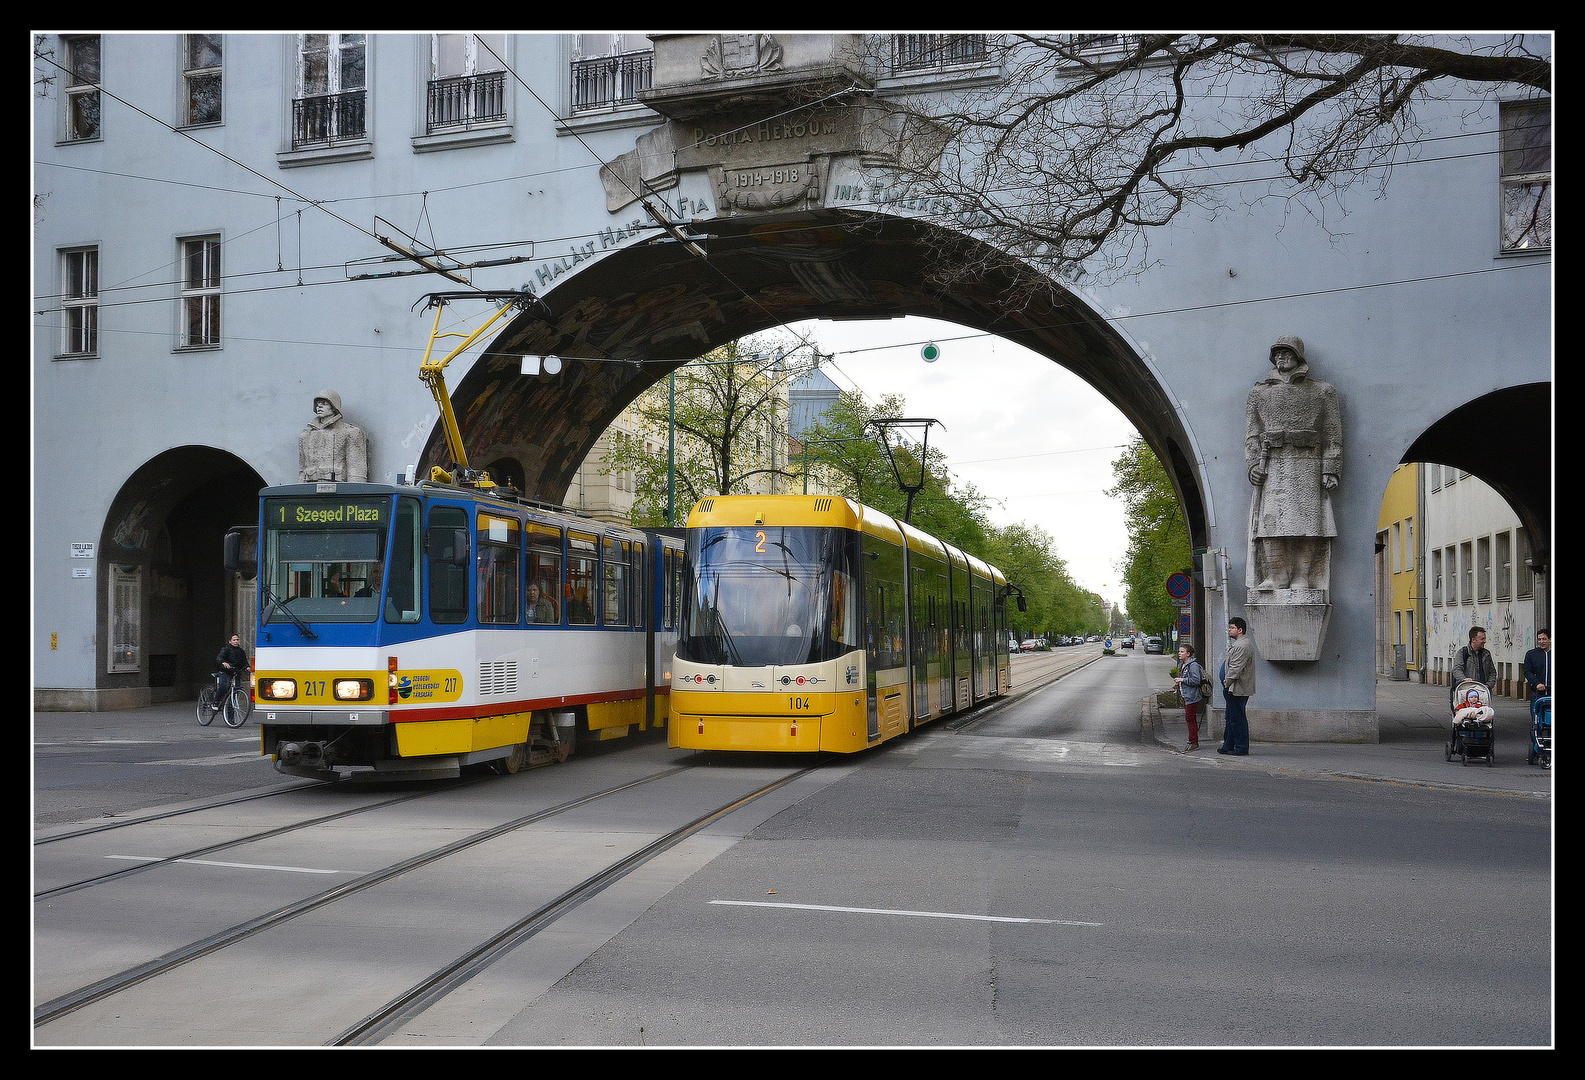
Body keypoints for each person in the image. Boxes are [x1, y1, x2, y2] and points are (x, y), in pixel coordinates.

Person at [1244, 336, 1342, 593]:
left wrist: (1330, 467)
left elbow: (1332, 434)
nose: (1281, 357)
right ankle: (1276, 576)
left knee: (1308, 524)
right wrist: (1253, 464)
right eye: (1277, 352)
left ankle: (1302, 577)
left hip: (1307, 462)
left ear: (1299, 356)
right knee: (1270, 523)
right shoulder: (1259, 393)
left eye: (1287, 352)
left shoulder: (1322, 391)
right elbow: (1252, 434)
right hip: (1272, 463)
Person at [298, 390, 369, 483]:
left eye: (324, 403)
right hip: (311, 491)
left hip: (339, 491)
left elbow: (356, 471)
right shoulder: (306, 436)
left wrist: (354, 495)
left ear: (334, 407)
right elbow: (302, 470)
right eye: (318, 404)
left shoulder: (350, 433)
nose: (319, 406)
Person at [1218, 617, 1255, 755]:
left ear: (1240, 630)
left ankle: (1241, 747)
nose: (1229, 630)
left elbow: (1235, 668)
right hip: (1233, 688)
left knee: (1237, 719)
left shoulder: (1242, 646)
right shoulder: (1240, 644)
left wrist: (1226, 683)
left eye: (1232, 628)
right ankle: (1228, 745)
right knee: (1231, 717)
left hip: (1236, 688)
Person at [1450, 626, 1496, 708]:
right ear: (1473, 640)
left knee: (1485, 715)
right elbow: (1457, 669)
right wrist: (1464, 680)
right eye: (1482, 639)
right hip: (1466, 691)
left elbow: (1492, 672)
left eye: (1484, 638)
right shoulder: (1463, 653)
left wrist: (1488, 685)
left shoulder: (1486, 654)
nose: (1485, 641)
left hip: (1483, 692)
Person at [1173, 643, 1206, 751]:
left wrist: (1182, 680)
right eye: (1179, 651)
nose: (1179, 653)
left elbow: (1196, 680)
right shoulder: (1183, 664)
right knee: (1189, 718)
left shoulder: (1193, 665)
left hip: (1192, 696)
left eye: (1182, 652)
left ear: (1188, 654)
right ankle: (1192, 739)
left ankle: (1194, 742)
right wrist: (1179, 684)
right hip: (1186, 695)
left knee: (1190, 719)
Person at [215, 633, 249, 708]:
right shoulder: (226, 650)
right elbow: (219, 658)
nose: (236, 641)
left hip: (236, 672)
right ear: (230, 641)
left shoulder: (241, 651)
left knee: (236, 691)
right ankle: (216, 701)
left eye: (237, 640)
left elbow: (244, 662)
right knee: (225, 686)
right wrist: (224, 663)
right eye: (234, 640)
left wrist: (247, 667)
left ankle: (230, 717)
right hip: (225, 671)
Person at [1523, 629, 1551, 701]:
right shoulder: (1532, 654)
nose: (1541, 642)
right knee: (1536, 712)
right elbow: (1527, 671)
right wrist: (1537, 683)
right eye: (1539, 639)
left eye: (1544, 639)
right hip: (1537, 693)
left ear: (1550, 639)